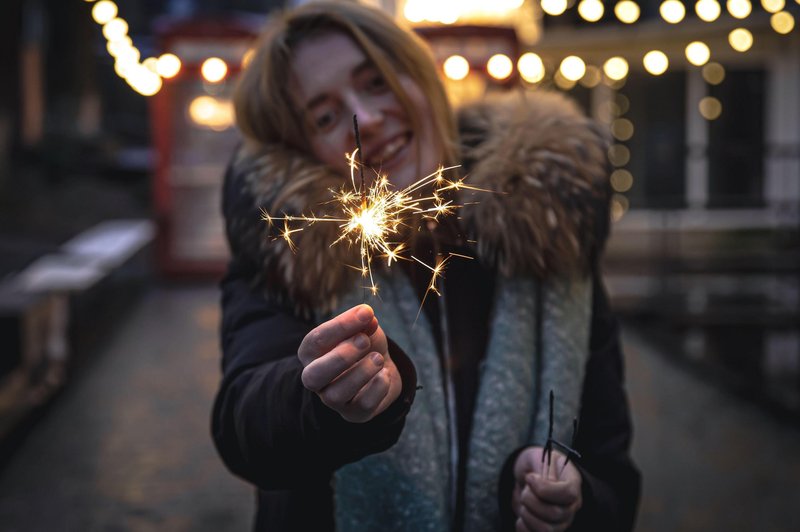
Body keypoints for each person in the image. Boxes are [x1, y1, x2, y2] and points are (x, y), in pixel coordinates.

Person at [211, 1, 641, 531]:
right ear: (301, 150)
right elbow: (243, 429)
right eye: (324, 117)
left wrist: (574, 500)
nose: (365, 120)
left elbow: (613, 473)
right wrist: (318, 401)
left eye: (377, 83)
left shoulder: (548, 234)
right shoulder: (289, 254)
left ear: (420, 77)